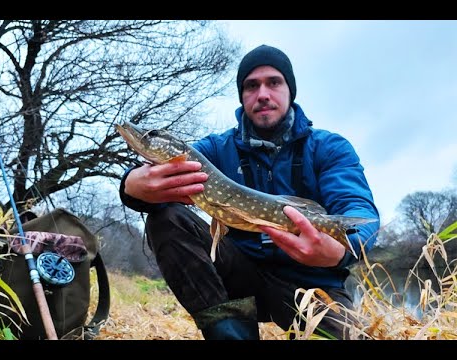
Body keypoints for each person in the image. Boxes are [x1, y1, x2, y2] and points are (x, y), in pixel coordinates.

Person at [119, 44, 380, 340]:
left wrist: (337, 254)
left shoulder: (329, 148)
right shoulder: (213, 150)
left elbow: (362, 216)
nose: (263, 94)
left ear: (289, 90)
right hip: (239, 274)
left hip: (310, 282)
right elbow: (141, 186)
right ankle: (230, 334)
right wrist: (132, 185)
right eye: (251, 86)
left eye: (274, 82)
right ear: (242, 96)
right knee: (165, 215)